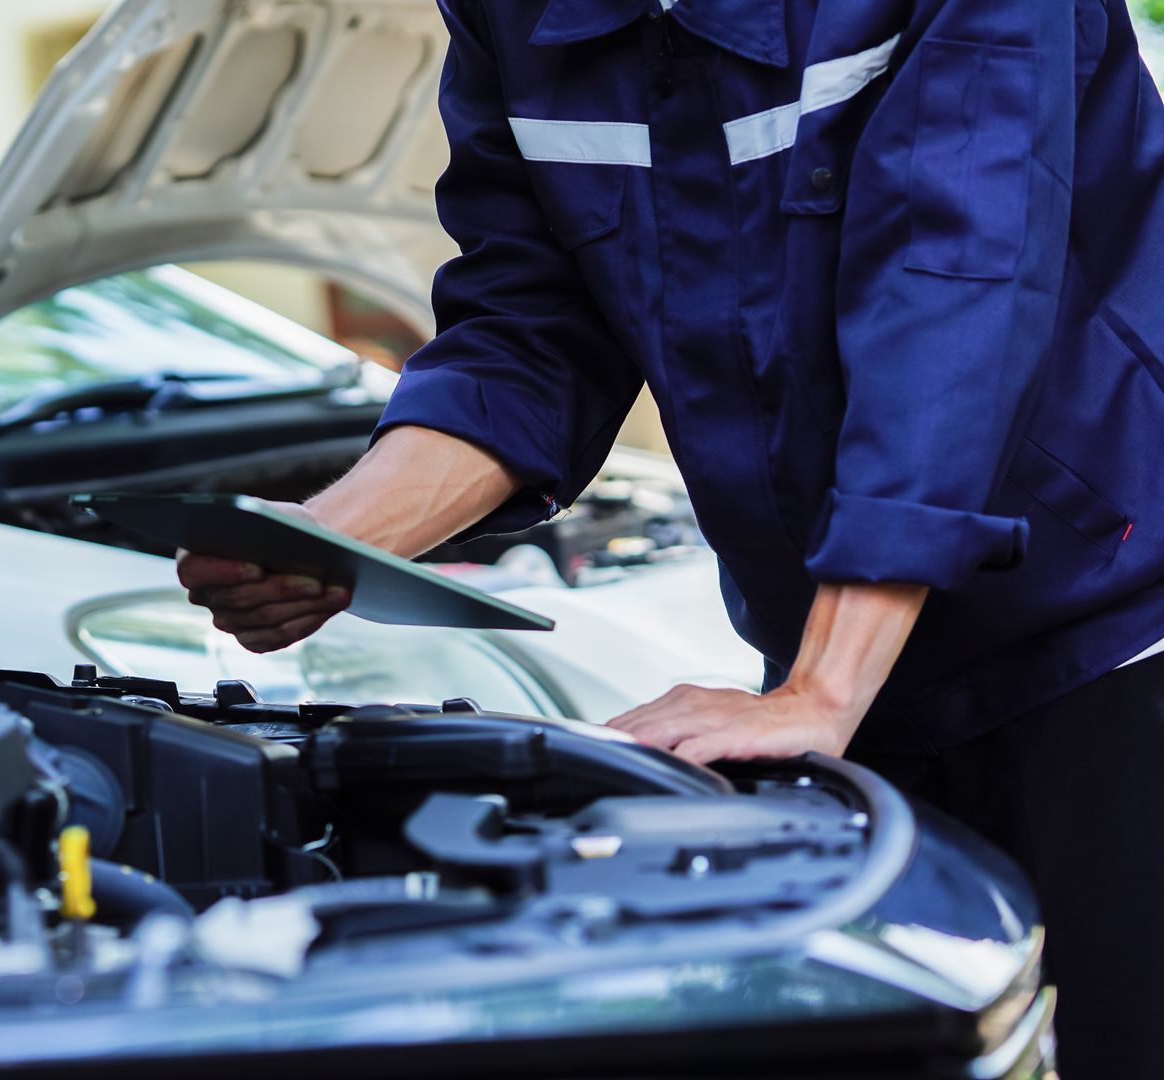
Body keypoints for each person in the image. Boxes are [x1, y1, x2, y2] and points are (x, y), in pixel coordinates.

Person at [176, 1, 1164, 1074]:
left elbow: (959, 280)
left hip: (1111, 616)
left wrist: (821, 689)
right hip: (849, 655)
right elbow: (532, 328)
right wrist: (333, 538)